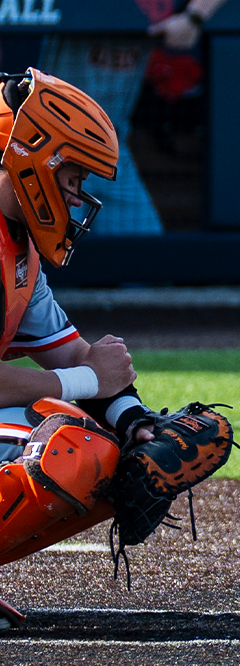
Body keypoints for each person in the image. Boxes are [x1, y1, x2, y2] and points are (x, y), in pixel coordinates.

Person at [0, 69, 206, 625]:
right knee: (68, 449)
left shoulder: (17, 243)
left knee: (118, 453)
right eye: (72, 175)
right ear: (32, 155)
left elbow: (70, 356)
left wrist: (131, 414)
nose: (76, 194)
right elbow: (82, 374)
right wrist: (92, 383)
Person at [35, 0, 240, 234]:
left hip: (109, 150)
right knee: (44, 264)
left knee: (148, 250)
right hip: (52, 146)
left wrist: (193, 17)